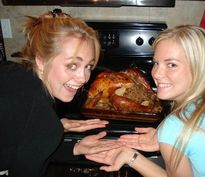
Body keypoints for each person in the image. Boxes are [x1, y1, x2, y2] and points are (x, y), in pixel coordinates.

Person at [85, 25, 205, 177]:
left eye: (172, 65)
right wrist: (167, 139)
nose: (156, 73)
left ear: (200, 68)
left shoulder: (175, 127)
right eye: (156, 63)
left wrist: (131, 157)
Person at [0, 9, 121, 177]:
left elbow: (23, 146)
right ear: (41, 61)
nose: (83, 78)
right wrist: (52, 130)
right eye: (72, 65)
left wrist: (74, 147)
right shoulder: (39, 111)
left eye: (88, 66)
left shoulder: (13, 74)